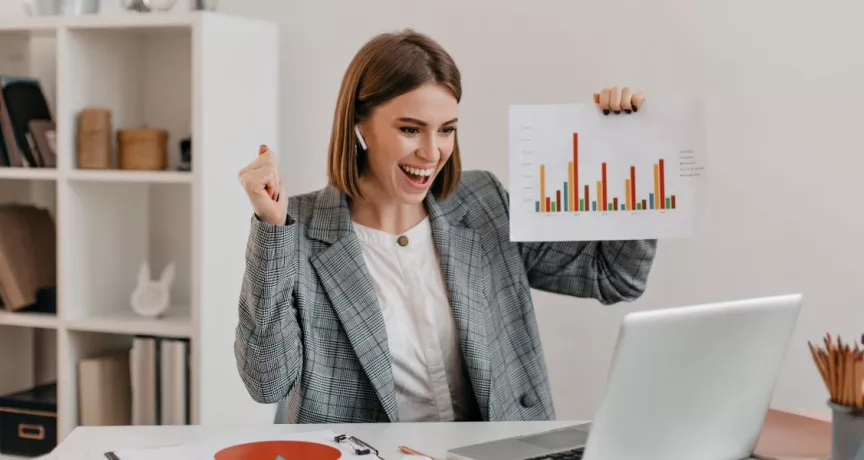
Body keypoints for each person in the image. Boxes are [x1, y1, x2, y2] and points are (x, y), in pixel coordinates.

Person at [235, 29, 656, 424]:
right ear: (359, 125)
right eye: (409, 129)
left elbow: (615, 277)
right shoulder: (298, 228)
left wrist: (626, 159)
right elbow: (266, 381)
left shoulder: (484, 202)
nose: (432, 152)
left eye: (446, 130)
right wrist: (270, 228)